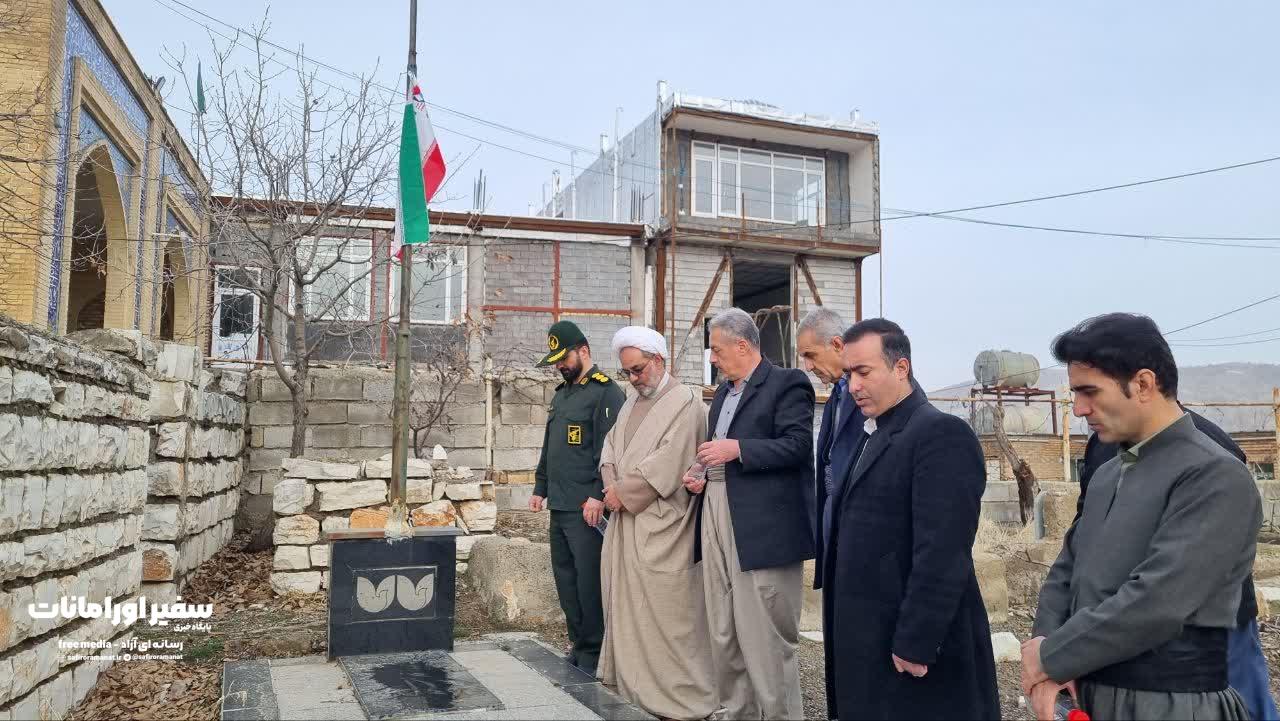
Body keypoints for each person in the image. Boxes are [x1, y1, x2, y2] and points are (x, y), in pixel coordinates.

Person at [1024, 313, 1261, 721]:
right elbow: (1067, 570)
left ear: (1144, 384)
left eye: (1089, 391)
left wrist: (1050, 657)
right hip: (1089, 697)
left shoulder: (1215, 475)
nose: (1078, 409)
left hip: (1170, 705)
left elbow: (1158, 602)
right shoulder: (1108, 474)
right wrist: (1045, 658)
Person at [822, 317, 999, 720]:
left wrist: (917, 640)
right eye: (848, 375)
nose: (853, 386)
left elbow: (943, 551)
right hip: (872, 635)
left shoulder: (940, 434)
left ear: (901, 367)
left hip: (914, 650)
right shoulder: (873, 433)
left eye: (863, 372)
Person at [1076, 411, 1278, 721]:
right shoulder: (1105, 448)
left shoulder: (1203, 442)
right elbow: (1084, 529)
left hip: (1210, 615)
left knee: (1242, 700)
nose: (1082, 408)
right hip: (1153, 616)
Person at [681, 307, 814, 720]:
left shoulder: (787, 383)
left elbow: (798, 446)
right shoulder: (722, 394)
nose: (713, 359)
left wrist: (737, 449)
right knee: (723, 628)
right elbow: (717, 452)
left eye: (717, 350)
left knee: (765, 636)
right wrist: (700, 472)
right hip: (716, 508)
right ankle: (738, 713)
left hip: (762, 526)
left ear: (742, 345)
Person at [596, 326, 716, 720]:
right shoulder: (630, 401)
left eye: (638, 369)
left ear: (659, 360)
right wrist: (612, 485)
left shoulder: (686, 403)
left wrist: (624, 492)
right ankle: (632, 685)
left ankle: (678, 698)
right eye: (627, 372)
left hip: (662, 526)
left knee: (666, 615)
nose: (633, 378)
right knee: (627, 608)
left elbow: (669, 461)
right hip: (626, 523)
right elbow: (610, 447)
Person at [530, 319, 626, 676]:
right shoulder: (562, 394)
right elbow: (550, 448)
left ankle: (595, 653)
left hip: (588, 508)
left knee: (589, 584)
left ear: (583, 350)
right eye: (555, 361)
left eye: (563, 358)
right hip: (560, 503)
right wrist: (540, 487)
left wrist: (597, 495)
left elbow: (611, 453)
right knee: (566, 581)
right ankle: (578, 644)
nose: (559, 366)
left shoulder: (606, 393)